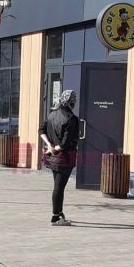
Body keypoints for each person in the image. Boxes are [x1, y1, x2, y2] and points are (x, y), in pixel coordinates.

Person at [39, 89, 79, 226]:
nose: (75, 103)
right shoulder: (71, 118)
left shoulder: (52, 114)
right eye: (74, 100)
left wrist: (49, 145)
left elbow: (41, 130)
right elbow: (65, 143)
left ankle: (59, 213)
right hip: (65, 158)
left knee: (58, 185)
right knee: (59, 187)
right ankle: (55, 217)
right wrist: (55, 148)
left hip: (52, 158)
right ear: (71, 101)